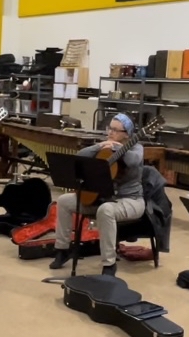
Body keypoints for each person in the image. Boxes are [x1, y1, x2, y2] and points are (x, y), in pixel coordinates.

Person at [48, 113, 144, 277]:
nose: (110, 133)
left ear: (127, 134)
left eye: (115, 130)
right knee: (64, 201)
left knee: (105, 210)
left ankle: (109, 264)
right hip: (102, 198)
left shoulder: (136, 148)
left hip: (130, 200)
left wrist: (117, 148)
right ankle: (62, 249)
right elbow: (80, 156)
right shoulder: (106, 145)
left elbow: (133, 160)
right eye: (109, 128)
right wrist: (100, 147)